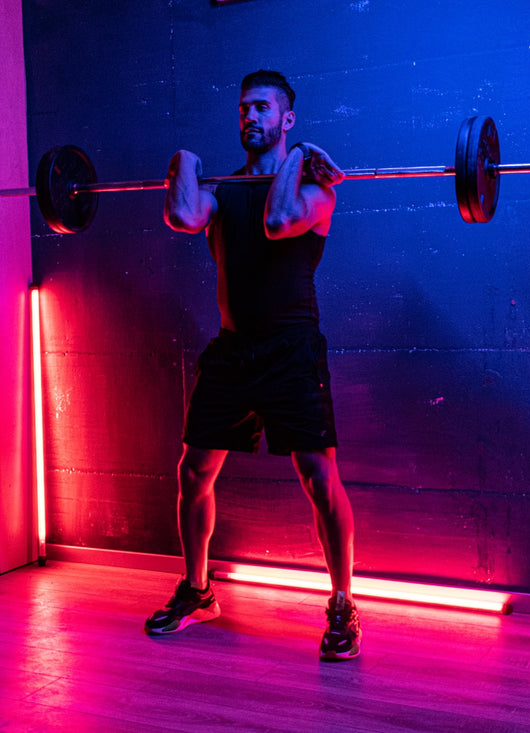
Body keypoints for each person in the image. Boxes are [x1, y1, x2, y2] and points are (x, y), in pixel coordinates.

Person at [144, 70, 360, 661]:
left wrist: (301, 161)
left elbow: (277, 220)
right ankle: (198, 590)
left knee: (319, 480)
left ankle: (342, 604)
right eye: (243, 108)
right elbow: (185, 216)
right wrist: (184, 159)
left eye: (262, 108)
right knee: (193, 473)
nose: (250, 117)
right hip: (233, 350)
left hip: (292, 351)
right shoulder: (225, 191)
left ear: (287, 120)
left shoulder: (319, 191)